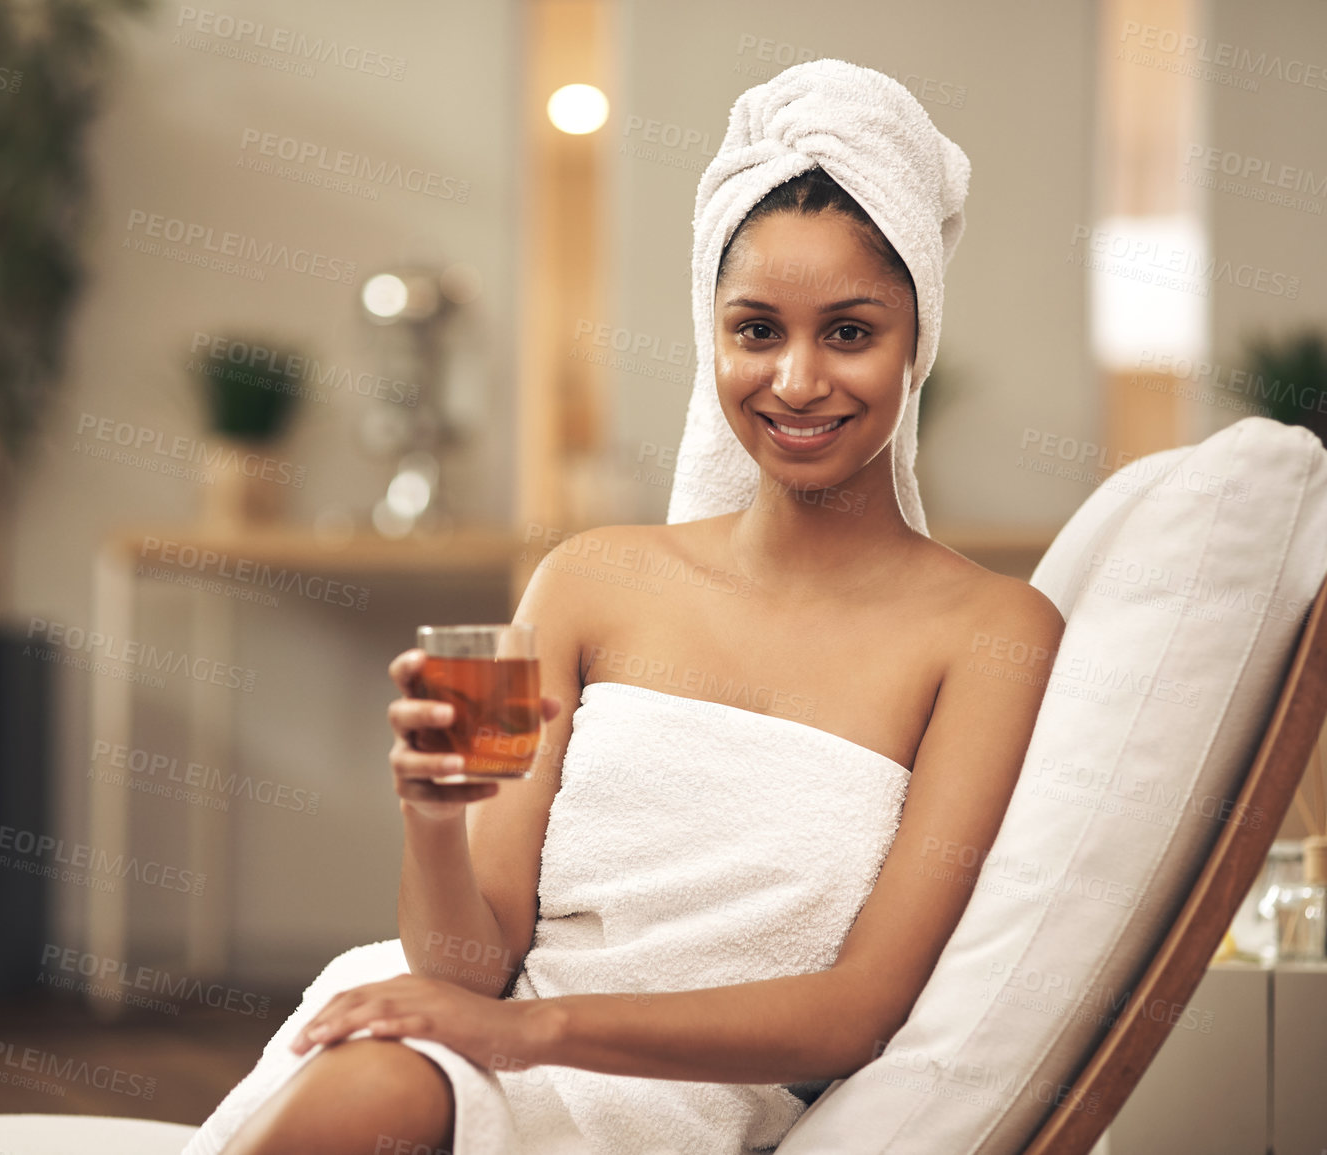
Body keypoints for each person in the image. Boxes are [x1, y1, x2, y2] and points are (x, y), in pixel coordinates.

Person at [209, 65, 1063, 1155]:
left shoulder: (990, 632)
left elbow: (862, 1010)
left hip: (673, 1097)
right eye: (756, 331)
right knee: (367, 1093)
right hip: (474, 1042)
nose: (797, 381)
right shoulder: (588, 580)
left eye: (850, 333)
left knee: (372, 1101)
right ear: (712, 339)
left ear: (917, 342)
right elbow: (472, 961)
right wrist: (430, 817)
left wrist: (534, 1033)